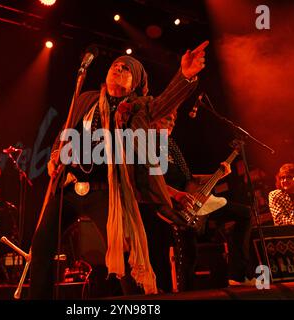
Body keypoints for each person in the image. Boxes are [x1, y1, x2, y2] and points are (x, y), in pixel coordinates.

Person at [29, 41, 209, 299]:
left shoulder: (139, 107)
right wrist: (56, 154)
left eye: (126, 69)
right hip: (68, 187)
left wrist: (185, 76)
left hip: (107, 193)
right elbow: (66, 131)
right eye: (115, 66)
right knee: (41, 246)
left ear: (135, 82)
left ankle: (135, 303)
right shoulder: (86, 99)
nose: (118, 69)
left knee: (124, 255)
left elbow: (165, 103)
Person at [143, 112, 256, 292]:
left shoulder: (170, 145)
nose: (172, 122)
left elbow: (189, 180)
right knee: (188, 255)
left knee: (245, 214)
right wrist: (176, 194)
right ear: (153, 121)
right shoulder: (148, 145)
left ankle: (238, 275)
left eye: (173, 119)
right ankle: (184, 294)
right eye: (166, 118)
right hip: (173, 204)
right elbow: (150, 180)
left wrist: (217, 175)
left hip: (193, 199)